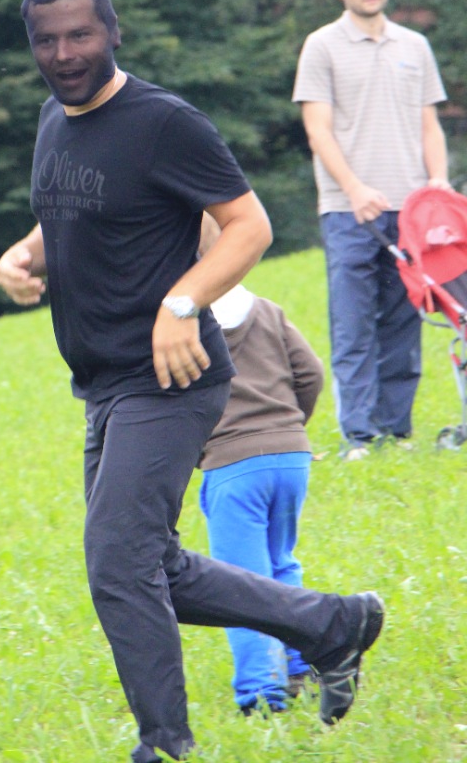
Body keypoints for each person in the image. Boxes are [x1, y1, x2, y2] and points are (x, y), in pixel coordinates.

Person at [0, 0, 384, 763]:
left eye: (81, 35)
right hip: (104, 381)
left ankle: (164, 747)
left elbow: (248, 225)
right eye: (47, 40)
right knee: (151, 566)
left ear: (113, 32)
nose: (65, 54)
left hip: (170, 381)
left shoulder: (162, 122)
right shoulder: (53, 122)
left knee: (118, 563)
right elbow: (75, 212)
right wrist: (24, 254)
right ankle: (332, 624)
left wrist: (183, 302)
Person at [292, 0, 449, 460]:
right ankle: (359, 436)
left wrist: (438, 181)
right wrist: (354, 188)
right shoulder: (321, 46)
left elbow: (429, 126)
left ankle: (396, 432)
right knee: (354, 326)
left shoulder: (414, 46)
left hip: (412, 210)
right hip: (348, 210)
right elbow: (317, 130)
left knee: (403, 326)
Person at [197, 215, 324, 715]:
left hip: (233, 467)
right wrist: (290, 428)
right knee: (280, 564)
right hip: (292, 459)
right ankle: (300, 664)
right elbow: (310, 373)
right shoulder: (267, 310)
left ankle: (261, 694)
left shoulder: (183, 325)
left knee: (238, 584)